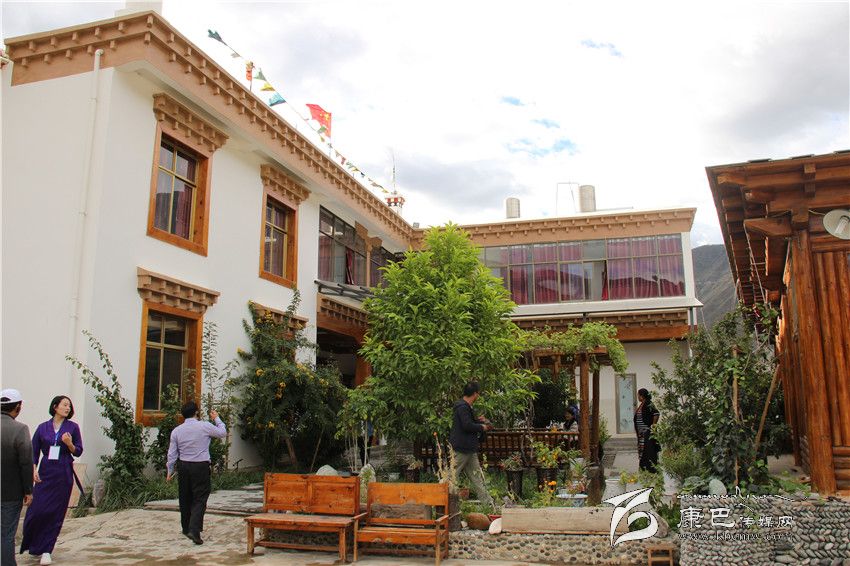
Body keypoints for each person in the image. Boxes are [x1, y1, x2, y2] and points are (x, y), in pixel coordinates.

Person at [20, 396, 83, 566]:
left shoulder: (73, 427)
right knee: (36, 511)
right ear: (55, 407)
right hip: (45, 472)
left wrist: (69, 444)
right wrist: (33, 469)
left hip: (63, 473)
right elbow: (33, 451)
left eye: (69, 406)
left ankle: (47, 550)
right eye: (64, 405)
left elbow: (78, 451)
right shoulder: (43, 428)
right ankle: (33, 544)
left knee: (55, 513)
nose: (67, 408)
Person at [166, 401, 226, 545]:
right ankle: (194, 530)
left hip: (184, 466)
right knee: (200, 497)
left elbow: (172, 453)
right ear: (196, 412)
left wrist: (170, 470)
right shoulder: (204, 426)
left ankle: (186, 527)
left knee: (185, 496)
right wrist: (217, 418)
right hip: (200, 466)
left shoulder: (177, 431)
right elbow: (222, 433)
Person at [449, 381, 494, 510]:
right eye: (478, 394)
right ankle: (439, 501)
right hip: (462, 449)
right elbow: (467, 425)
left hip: (469, 449)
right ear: (475, 394)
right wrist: (482, 427)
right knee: (451, 477)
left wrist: (479, 421)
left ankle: (488, 504)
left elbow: (469, 422)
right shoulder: (463, 407)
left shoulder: (465, 407)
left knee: (477, 478)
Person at [1, 389, 33, 566]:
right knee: (6, 535)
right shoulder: (20, 429)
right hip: (10, 493)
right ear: (18, 407)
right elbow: (26, 463)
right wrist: (28, 490)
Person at [634, 388, 660, 472]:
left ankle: (650, 470)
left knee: (649, 452)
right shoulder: (642, 404)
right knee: (643, 452)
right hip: (642, 434)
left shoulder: (648, 403)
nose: (638, 397)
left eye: (638, 395)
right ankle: (644, 469)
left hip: (647, 433)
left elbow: (656, 413)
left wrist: (653, 426)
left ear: (642, 396)